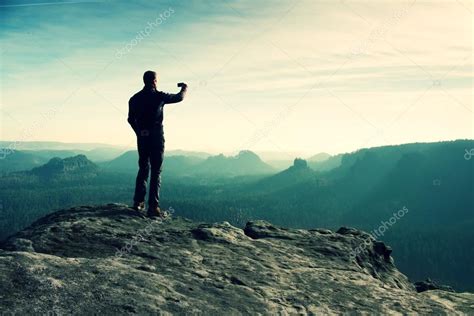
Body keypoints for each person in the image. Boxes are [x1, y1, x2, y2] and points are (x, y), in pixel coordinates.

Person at [128, 70, 187, 218]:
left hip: (142, 138)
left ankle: (138, 202)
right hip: (156, 137)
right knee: (156, 171)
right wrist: (184, 88)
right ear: (154, 81)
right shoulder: (159, 96)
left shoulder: (134, 99)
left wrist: (139, 132)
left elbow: (130, 119)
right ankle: (153, 208)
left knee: (143, 168)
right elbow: (179, 98)